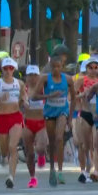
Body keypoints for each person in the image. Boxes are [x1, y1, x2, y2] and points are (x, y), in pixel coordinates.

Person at [33, 56, 74, 186]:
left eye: (58, 66)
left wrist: (70, 118)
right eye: (53, 67)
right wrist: (49, 96)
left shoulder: (67, 79)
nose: (56, 69)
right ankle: (52, 168)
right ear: (50, 67)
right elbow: (34, 96)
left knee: (59, 138)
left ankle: (60, 171)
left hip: (63, 111)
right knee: (51, 142)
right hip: (50, 112)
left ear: (62, 66)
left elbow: (74, 98)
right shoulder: (45, 79)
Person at [0, 57, 26, 189]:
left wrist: (25, 102)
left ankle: (11, 177)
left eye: (11, 68)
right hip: (2, 118)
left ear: (14, 69)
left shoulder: (19, 83)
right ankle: (3, 156)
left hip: (15, 117)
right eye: (5, 68)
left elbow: (23, 98)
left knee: (13, 146)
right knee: (4, 149)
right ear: (1, 69)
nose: (8, 71)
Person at [21, 65, 47, 189]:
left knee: (40, 148)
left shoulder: (44, 89)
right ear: (26, 77)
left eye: (35, 75)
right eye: (30, 75)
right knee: (29, 153)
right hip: (28, 123)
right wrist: (22, 103)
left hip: (42, 123)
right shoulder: (24, 90)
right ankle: (32, 177)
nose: (32, 78)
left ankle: (42, 155)